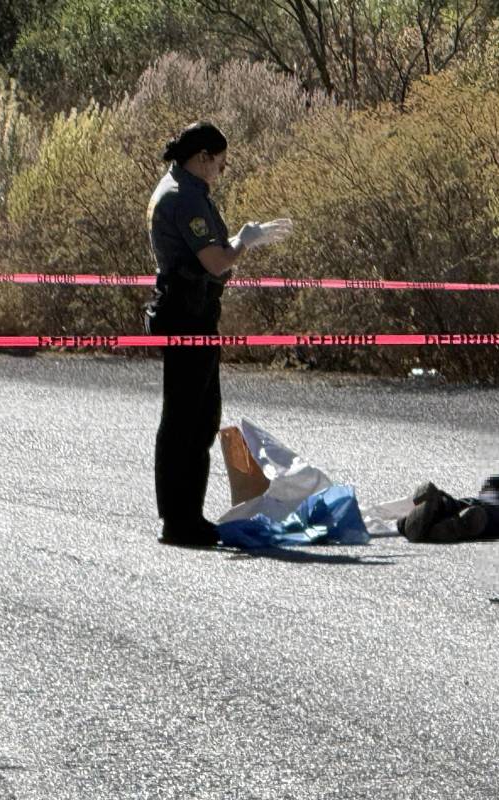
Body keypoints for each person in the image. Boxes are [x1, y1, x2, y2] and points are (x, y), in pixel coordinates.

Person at [146, 121, 293, 547]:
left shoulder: (176, 187)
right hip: (188, 314)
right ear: (203, 157)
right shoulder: (184, 197)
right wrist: (244, 243)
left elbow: (207, 250)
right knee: (190, 421)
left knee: (193, 416)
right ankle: (181, 519)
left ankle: (182, 515)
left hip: (187, 309)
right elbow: (215, 262)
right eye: (221, 165)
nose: (221, 173)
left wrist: (243, 239)